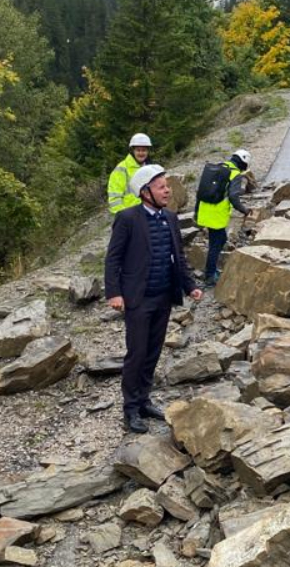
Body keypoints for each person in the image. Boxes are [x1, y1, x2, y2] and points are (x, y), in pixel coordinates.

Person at [105, 164, 203, 433]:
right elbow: (113, 258)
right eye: (161, 187)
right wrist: (113, 293)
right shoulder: (127, 218)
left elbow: (178, 257)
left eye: (167, 186)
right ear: (145, 191)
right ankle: (130, 410)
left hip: (163, 297)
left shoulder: (170, 218)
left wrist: (189, 286)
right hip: (138, 299)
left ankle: (144, 399)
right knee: (136, 354)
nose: (167, 191)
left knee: (153, 352)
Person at [195, 149, 252, 287]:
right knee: (216, 243)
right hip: (217, 214)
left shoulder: (219, 166)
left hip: (204, 210)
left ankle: (211, 269)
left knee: (221, 240)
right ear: (243, 163)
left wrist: (196, 212)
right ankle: (210, 276)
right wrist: (244, 210)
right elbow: (233, 196)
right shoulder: (235, 174)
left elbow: (201, 189)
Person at [108, 133, 153, 214]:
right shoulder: (121, 169)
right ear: (132, 150)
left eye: (144, 150)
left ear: (148, 151)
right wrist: (123, 216)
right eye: (138, 150)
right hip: (130, 217)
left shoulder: (150, 168)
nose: (141, 153)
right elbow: (114, 198)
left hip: (149, 214)